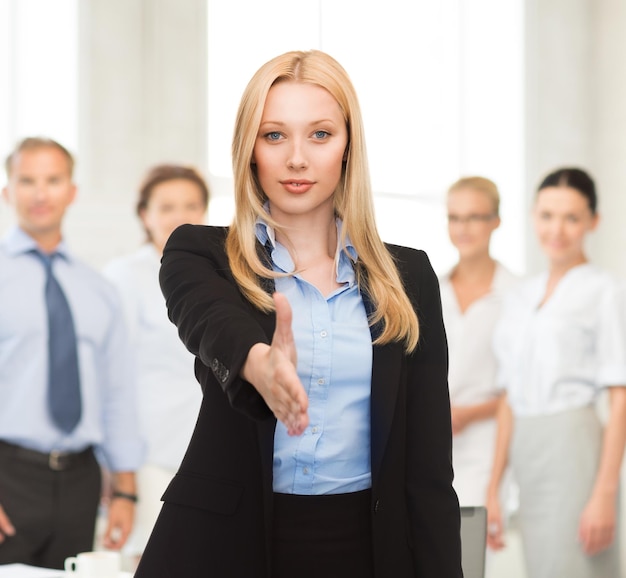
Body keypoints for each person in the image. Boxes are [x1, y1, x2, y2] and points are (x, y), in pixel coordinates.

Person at [134, 50, 462, 578]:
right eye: (274, 135)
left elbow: (427, 471)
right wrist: (256, 362)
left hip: (367, 547)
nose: (297, 159)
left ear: (348, 148)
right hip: (224, 546)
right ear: (250, 151)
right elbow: (208, 319)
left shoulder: (410, 277)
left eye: (320, 134)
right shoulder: (200, 253)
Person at [0, 137, 143, 569]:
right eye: (27, 180)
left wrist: (125, 490)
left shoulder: (98, 290)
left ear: (72, 191)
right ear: (8, 191)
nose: (40, 193)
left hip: (81, 482)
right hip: (9, 477)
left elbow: (117, 392)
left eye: (53, 180)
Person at [486, 167, 626, 578]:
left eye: (572, 217)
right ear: (533, 217)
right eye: (547, 215)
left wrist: (605, 492)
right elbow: (509, 397)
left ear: (592, 222)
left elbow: (620, 397)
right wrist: (495, 487)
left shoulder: (604, 290)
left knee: (578, 566)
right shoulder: (520, 296)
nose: (557, 229)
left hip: (575, 447)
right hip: (527, 452)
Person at [103, 164, 209, 560]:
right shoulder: (124, 277)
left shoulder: (221, 272)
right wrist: (118, 470)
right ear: (144, 215)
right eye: (166, 206)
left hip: (207, 449)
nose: (180, 215)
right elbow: (112, 375)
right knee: (153, 561)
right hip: (151, 454)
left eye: (191, 205)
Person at [439, 177, 517, 508]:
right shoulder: (432, 289)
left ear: (495, 222)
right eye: (455, 218)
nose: (463, 227)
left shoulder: (517, 295)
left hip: (486, 448)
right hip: (431, 441)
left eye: (474, 217)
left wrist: (468, 414)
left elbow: (518, 389)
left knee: (471, 553)